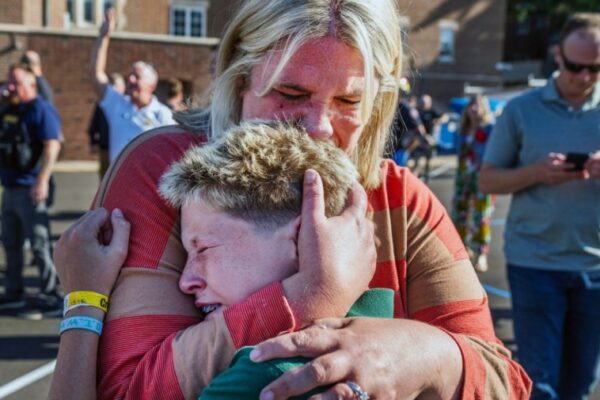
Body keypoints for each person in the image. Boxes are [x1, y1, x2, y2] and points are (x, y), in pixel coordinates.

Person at [55, 0, 531, 399]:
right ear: (239, 79)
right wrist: (314, 294)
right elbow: (126, 391)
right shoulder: (166, 170)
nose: (319, 127)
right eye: (291, 92)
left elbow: (505, 382)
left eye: (349, 102)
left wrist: (422, 355)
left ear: (377, 104)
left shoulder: (401, 198)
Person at [479, 13, 600, 399]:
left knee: (581, 383)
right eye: (576, 67)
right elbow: (487, 179)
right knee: (540, 384)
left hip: (595, 268)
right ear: (557, 56)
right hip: (535, 263)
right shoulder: (521, 110)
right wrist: (537, 172)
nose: (585, 77)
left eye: (596, 68)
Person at [0, 64, 62, 314]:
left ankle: (51, 294)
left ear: (31, 84)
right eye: (9, 81)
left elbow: (52, 145)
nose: (10, 87)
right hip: (10, 187)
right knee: (10, 242)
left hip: (31, 188)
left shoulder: (41, 109)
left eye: (15, 82)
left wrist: (42, 179)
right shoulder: (9, 109)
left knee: (39, 244)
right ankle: (14, 292)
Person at [90, 9, 174, 163]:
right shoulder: (117, 104)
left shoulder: (164, 115)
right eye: (130, 75)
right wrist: (104, 36)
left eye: (137, 76)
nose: (131, 79)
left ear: (152, 85)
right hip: (118, 178)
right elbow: (96, 75)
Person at [451, 95, 495, 272]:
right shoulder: (462, 129)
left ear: (484, 109)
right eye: (471, 106)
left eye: (478, 106)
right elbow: (458, 151)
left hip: (483, 176)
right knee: (458, 213)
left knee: (481, 215)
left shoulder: (490, 129)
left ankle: (481, 253)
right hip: (463, 176)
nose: (474, 109)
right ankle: (463, 248)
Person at [87, 73, 125, 179]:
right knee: (106, 177)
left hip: (122, 148)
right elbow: (93, 126)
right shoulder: (102, 106)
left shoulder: (128, 105)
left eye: (116, 84)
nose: (113, 88)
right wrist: (93, 142)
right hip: (106, 147)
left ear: (123, 87)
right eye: (111, 85)